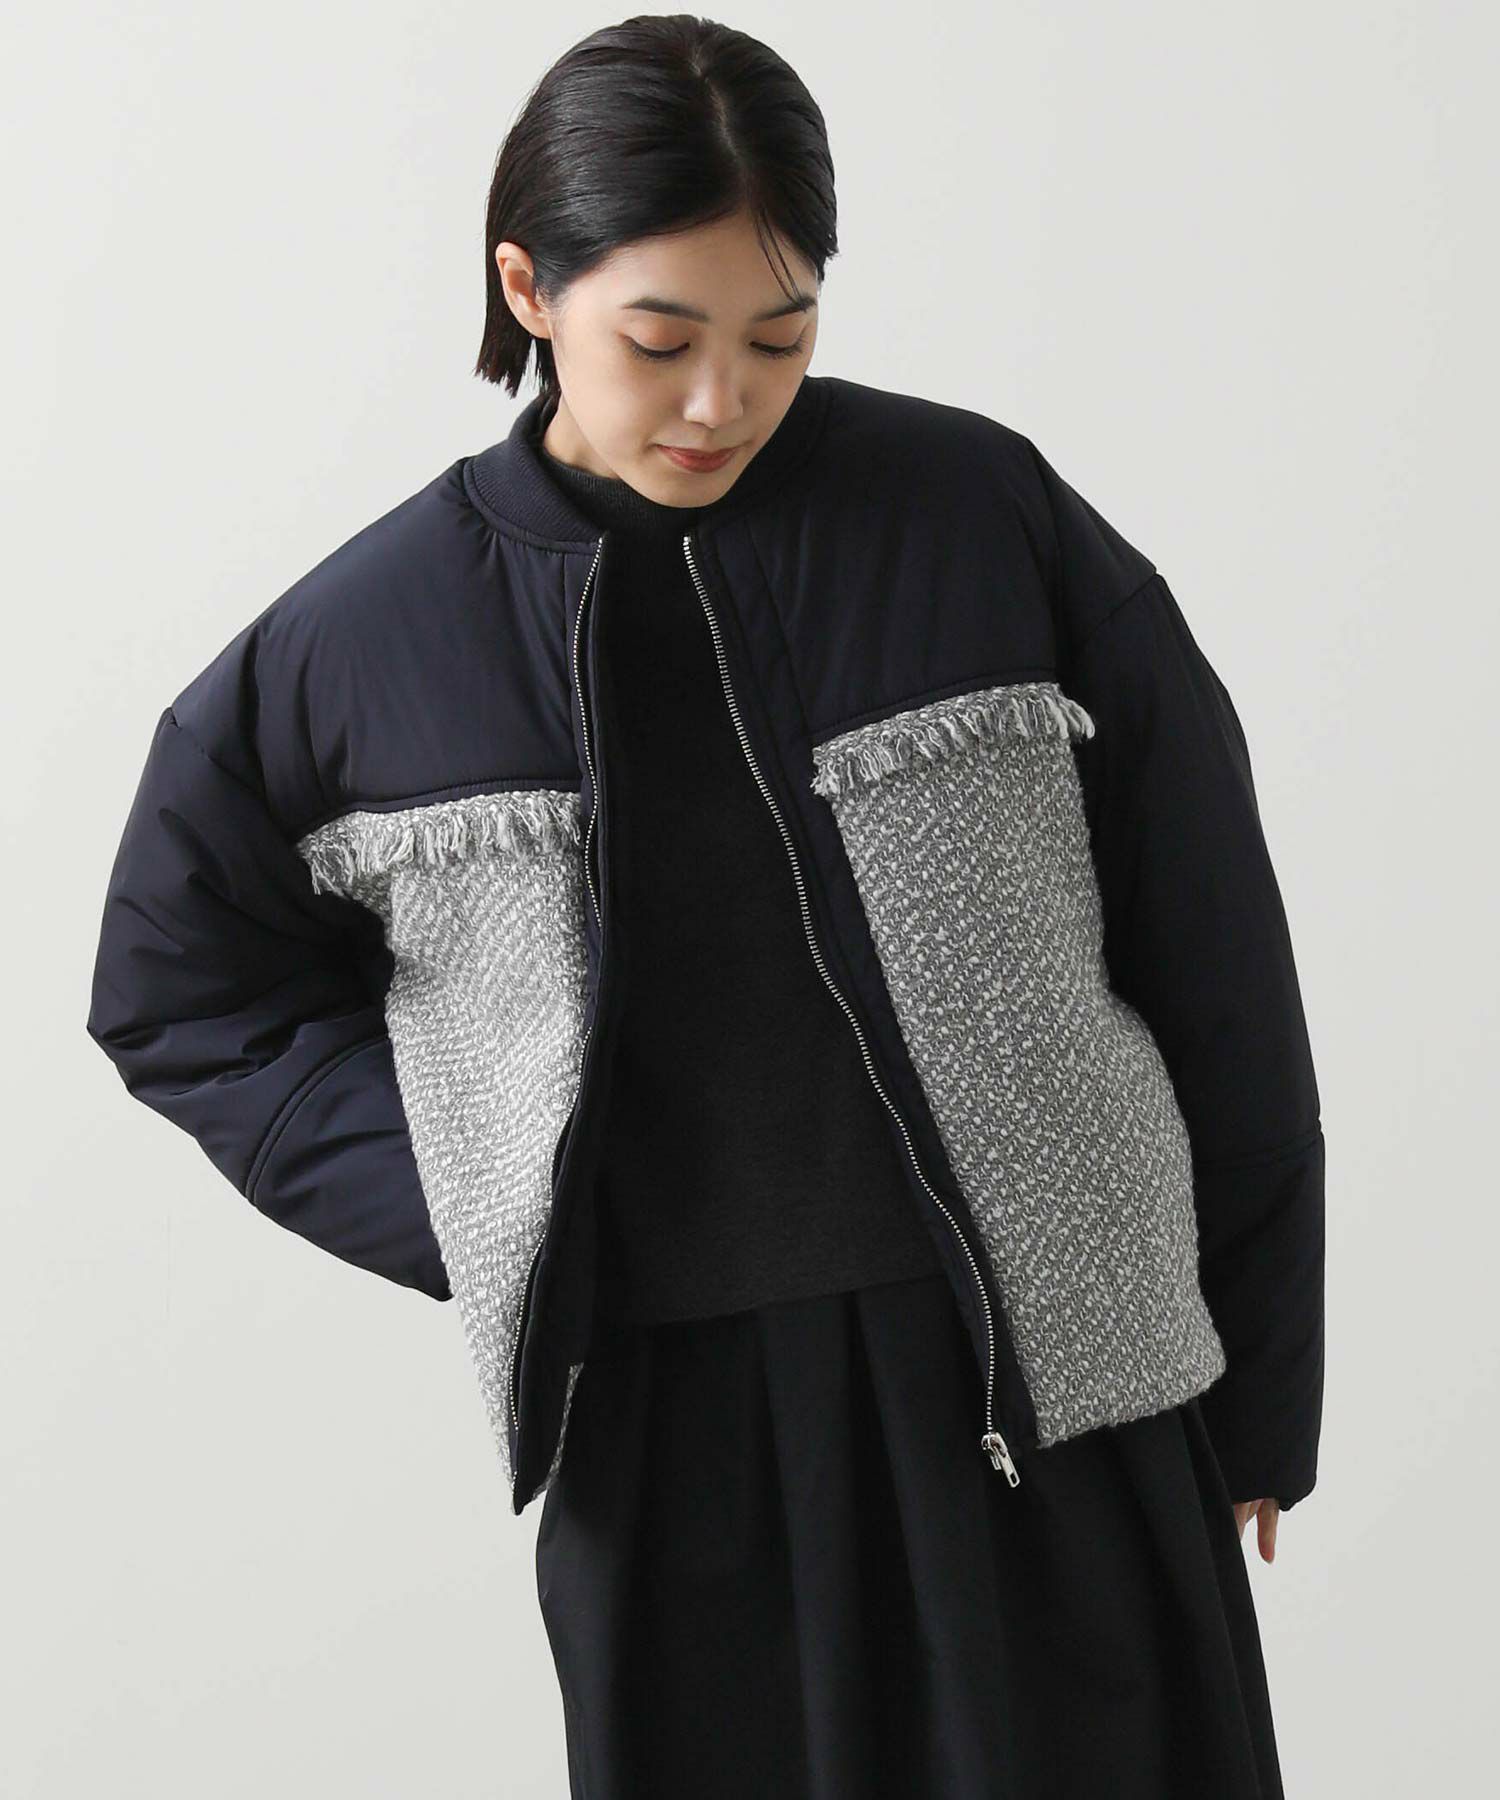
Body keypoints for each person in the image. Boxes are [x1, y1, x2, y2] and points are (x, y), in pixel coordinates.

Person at [84, 16, 1325, 1798]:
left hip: (1068, 1395)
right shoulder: (367, 641)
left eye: (780, 336)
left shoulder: (977, 514)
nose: (719, 401)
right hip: (681, 1455)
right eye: (658, 341)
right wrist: (509, 1204)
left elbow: (1215, 948)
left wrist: (1262, 1379)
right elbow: (180, 996)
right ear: (527, 288)